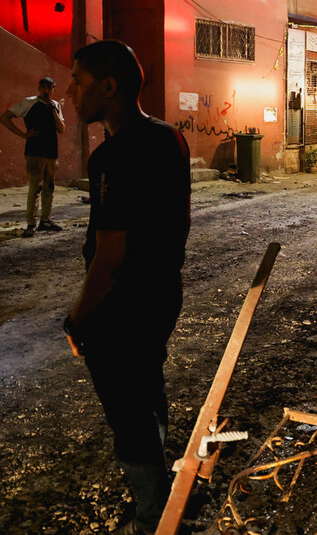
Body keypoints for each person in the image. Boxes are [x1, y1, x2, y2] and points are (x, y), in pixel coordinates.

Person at [63, 40, 190, 535]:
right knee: (147, 388)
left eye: (78, 79)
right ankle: (163, 494)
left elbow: (108, 258)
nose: (71, 91)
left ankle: (154, 515)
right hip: (162, 294)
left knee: (127, 411)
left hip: (122, 307)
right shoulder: (170, 138)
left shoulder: (112, 157)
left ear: (109, 88)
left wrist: (77, 319)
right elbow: (178, 223)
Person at [1, 76, 66, 237]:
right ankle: (31, 223)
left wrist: (53, 110)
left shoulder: (56, 105)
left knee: (49, 187)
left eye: (49, 87)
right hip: (34, 152)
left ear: (53, 89)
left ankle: (46, 221)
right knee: (34, 188)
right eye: (43, 87)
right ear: (38, 88)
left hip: (51, 153)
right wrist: (24, 135)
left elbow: (62, 129)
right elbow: (5, 117)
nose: (46, 90)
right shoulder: (29, 102)